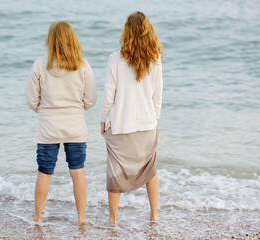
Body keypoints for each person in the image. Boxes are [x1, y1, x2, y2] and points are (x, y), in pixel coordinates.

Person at [26, 21, 97, 223]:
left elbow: (31, 100)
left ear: (51, 40)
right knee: (77, 172)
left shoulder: (40, 64)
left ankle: (38, 218)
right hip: (75, 127)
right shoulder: (82, 64)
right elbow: (91, 98)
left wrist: (46, 111)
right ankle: (81, 218)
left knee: (44, 172)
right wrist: (75, 110)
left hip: (47, 128)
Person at [100, 11, 163, 224]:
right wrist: (153, 120)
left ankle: (113, 219)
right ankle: (154, 215)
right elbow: (158, 96)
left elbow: (109, 94)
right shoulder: (154, 59)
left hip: (121, 125)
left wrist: (103, 120)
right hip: (147, 125)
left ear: (126, 31)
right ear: (148, 31)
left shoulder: (115, 58)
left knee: (115, 174)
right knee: (150, 171)